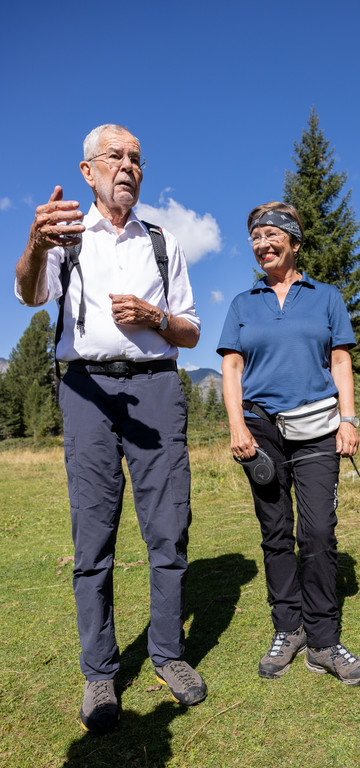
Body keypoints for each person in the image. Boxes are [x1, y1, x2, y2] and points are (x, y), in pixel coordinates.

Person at [15, 124, 206, 734]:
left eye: (136, 159)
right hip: (87, 392)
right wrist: (35, 243)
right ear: (88, 170)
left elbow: (191, 331)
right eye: (115, 156)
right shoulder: (65, 239)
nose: (128, 166)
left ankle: (168, 655)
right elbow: (28, 294)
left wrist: (155, 316)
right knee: (93, 535)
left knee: (169, 529)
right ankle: (99, 672)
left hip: (156, 389)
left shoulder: (162, 243)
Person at [217, 201, 360, 686]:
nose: (262, 244)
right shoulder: (243, 303)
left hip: (318, 428)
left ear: (295, 241)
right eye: (255, 237)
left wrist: (348, 420)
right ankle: (289, 628)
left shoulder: (326, 297)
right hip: (260, 429)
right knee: (275, 532)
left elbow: (341, 360)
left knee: (319, 532)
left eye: (271, 234)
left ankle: (324, 641)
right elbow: (231, 367)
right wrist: (237, 425)